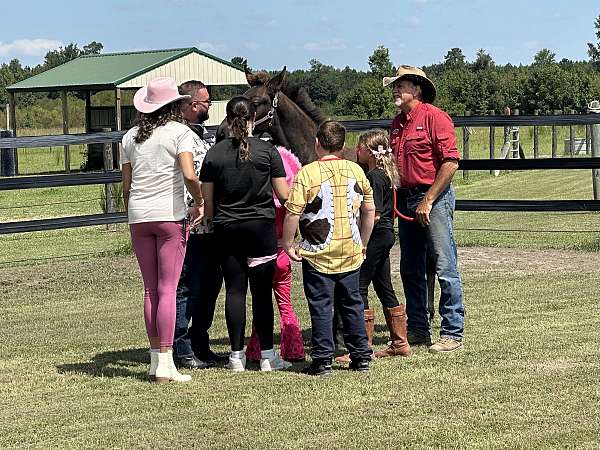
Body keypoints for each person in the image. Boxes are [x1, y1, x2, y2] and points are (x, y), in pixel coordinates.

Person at [200, 96, 291, 372]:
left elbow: (208, 204)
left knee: (235, 290)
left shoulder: (214, 154)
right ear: (253, 119)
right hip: (261, 228)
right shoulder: (267, 151)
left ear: (227, 119)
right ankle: (267, 356)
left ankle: (236, 356)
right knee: (262, 293)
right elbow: (284, 195)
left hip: (227, 228)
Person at [121, 77, 203, 383]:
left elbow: (126, 186)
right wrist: (200, 200)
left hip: (138, 216)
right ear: (174, 105)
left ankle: (156, 360)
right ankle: (167, 363)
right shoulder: (180, 133)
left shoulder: (129, 137)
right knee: (169, 289)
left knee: (150, 289)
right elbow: (188, 174)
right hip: (169, 215)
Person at [282, 120, 375, 376]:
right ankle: (361, 356)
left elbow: (293, 213)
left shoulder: (307, 173)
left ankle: (322, 359)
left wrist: (288, 243)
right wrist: (364, 242)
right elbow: (369, 209)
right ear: (344, 145)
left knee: (322, 305)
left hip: (318, 251)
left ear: (317, 144)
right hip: (351, 251)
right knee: (352, 303)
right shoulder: (356, 171)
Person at [383, 65, 465, 353]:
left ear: (416, 89)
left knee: (444, 264)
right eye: (394, 85)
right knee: (410, 267)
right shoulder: (396, 124)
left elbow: (450, 163)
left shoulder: (436, 118)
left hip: (433, 197)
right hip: (406, 198)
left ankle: (452, 331)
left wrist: (429, 199)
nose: (395, 90)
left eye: (400, 85)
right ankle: (418, 328)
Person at [336, 130, 411, 363]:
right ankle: (400, 342)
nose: (356, 152)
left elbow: (374, 214)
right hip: (386, 235)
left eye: (360, 148)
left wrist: (362, 243)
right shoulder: (384, 175)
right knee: (383, 286)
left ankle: (362, 347)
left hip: (376, 236)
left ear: (369, 152)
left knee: (359, 287)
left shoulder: (374, 178)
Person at [172, 80, 225, 369]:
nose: (209, 107)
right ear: (193, 105)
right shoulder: (179, 137)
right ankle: (182, 348)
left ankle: (200, 342)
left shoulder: (204, 135)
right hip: (189, 222)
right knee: (187, 287)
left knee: (210, 285)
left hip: (211, 226)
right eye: (207, 103)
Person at [245, 146, 306, 362]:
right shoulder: (285, 205)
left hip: (261, 254)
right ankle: (294, 348)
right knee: (285, 305)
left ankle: (255, 349)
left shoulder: (259, 203)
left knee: (260, 303)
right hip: (282, 255)